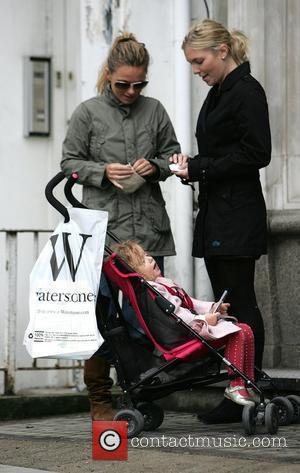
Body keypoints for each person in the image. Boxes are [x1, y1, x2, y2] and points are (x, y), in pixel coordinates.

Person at [61, 32, 180, 420]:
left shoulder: (156, 110)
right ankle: (100, 397)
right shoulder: (88, 112)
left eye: (139, 84)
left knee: (149, 314)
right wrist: (99, 171)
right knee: (101, 313)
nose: (131, 91)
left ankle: (143, 394)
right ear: (108, 74)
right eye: (122, 84)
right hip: (103, 232)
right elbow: (69, 163)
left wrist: (157, 166)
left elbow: (172, 157)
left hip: (147, 229)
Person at [170, 19, 271, 422]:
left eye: (200, 61)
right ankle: (238, 387)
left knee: (240, 302)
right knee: (228, 305)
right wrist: (191, 167)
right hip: (219, 212)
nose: (196, 70)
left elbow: (256, 153)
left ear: (223, 50)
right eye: (192, 63)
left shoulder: (246, 91)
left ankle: (247, 389)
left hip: (236, 215)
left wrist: (200, 167)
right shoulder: (219, 92)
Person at [113, 240, 257, 407]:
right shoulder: (154, 292)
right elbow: (178, 316)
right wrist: (205, 320)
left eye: (147, 254)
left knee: (246, 329)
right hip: (187, 335)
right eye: (144, 260)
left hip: (192, 328)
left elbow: (189, 303)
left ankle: (248, 383)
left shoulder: (161, 284)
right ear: (136, 273)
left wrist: (212, 307)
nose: (151, 258)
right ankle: (236, 385)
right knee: (238, 333)